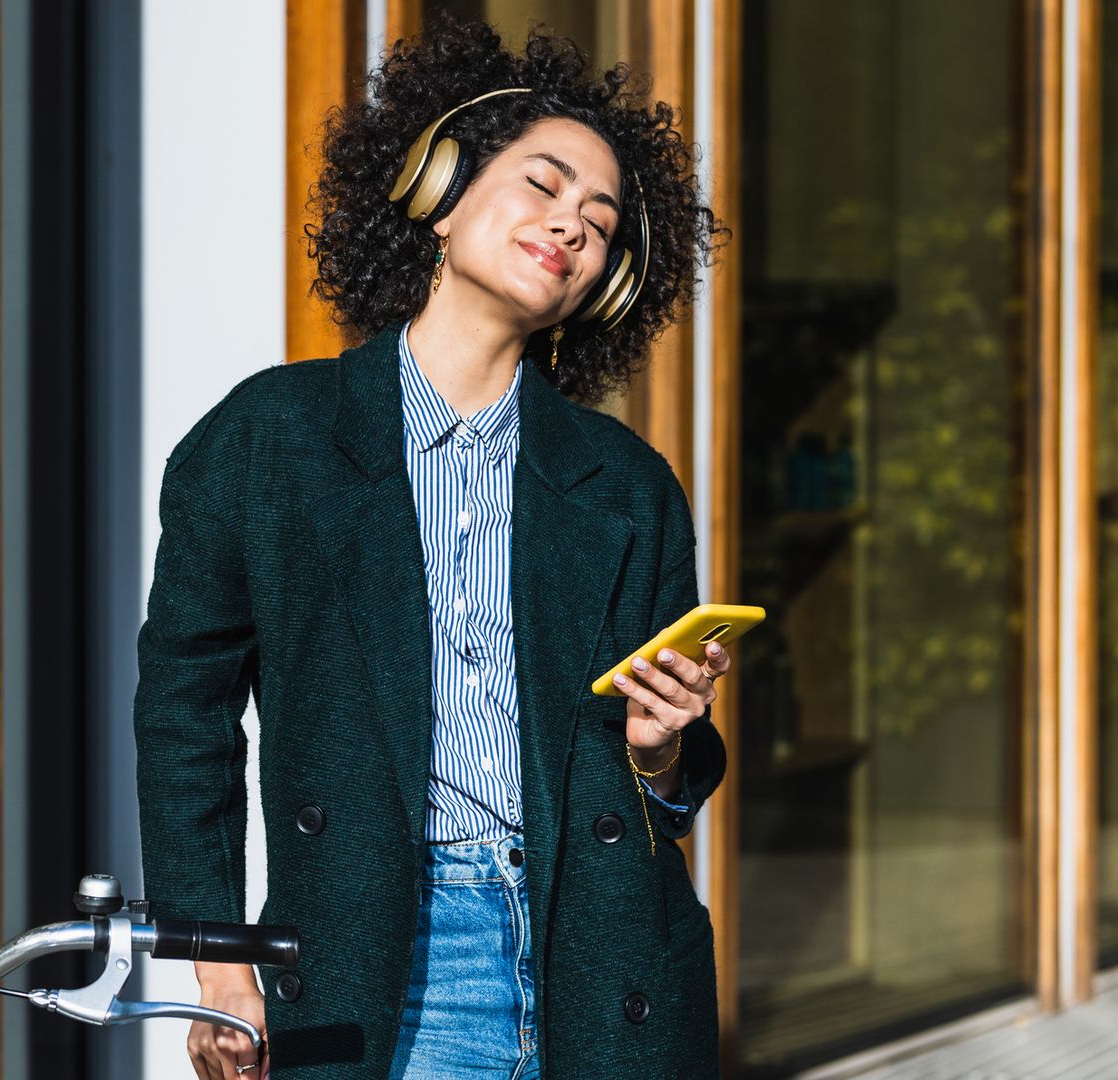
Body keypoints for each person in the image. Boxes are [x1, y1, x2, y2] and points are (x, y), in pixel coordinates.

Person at [133, 16, 732, 1079]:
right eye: (544, 185)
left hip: (608, 964)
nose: (572, 224)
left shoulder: (627, 486)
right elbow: (186, 709)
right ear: (440, 193)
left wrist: (661, 751)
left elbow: (663, 798)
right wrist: (221, 962)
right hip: (391, 963)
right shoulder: (271, 441)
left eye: (599, 219)